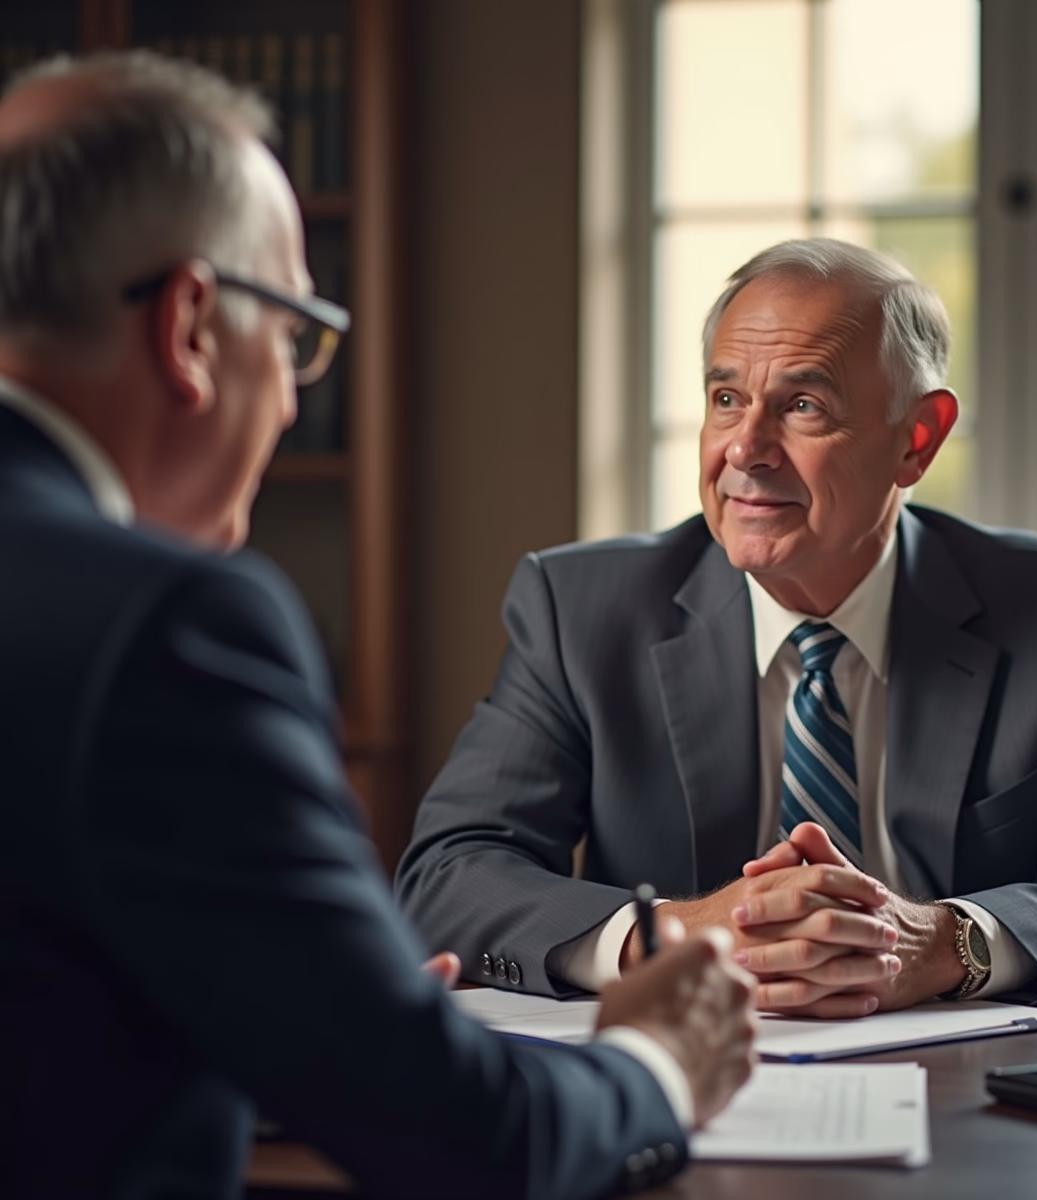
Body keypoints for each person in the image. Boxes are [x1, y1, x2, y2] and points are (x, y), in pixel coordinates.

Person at [0, 51, 757, 1200]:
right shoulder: (171, 628)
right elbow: (470, 1143)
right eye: (296, 328)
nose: (297, 389)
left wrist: (298, 1010)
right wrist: (661, 1059)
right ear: (194, 326)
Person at [399, 237, 1037, 1018]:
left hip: (960, 1088)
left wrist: (944, 944)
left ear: (916, 439)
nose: (746, 448)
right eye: (726, 399)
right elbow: (450, 873)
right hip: (667, 1086)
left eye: (804, 406)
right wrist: (674, 936)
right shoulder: (581, 609)